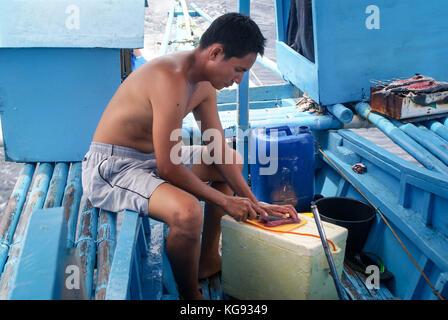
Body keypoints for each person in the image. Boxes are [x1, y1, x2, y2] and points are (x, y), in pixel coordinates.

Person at [82, 12, 297, 300]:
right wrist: (225, 201)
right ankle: (190, 296)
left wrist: (254, 203)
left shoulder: (205, 84)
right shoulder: (169, 78)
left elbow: (216, 147)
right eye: (237, 69)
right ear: (216, 52)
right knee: (188, 212)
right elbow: (169, 167)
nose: (238, 80)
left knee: (231, 159)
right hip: (115, 166)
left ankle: (207, 259)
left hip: (153, 158)